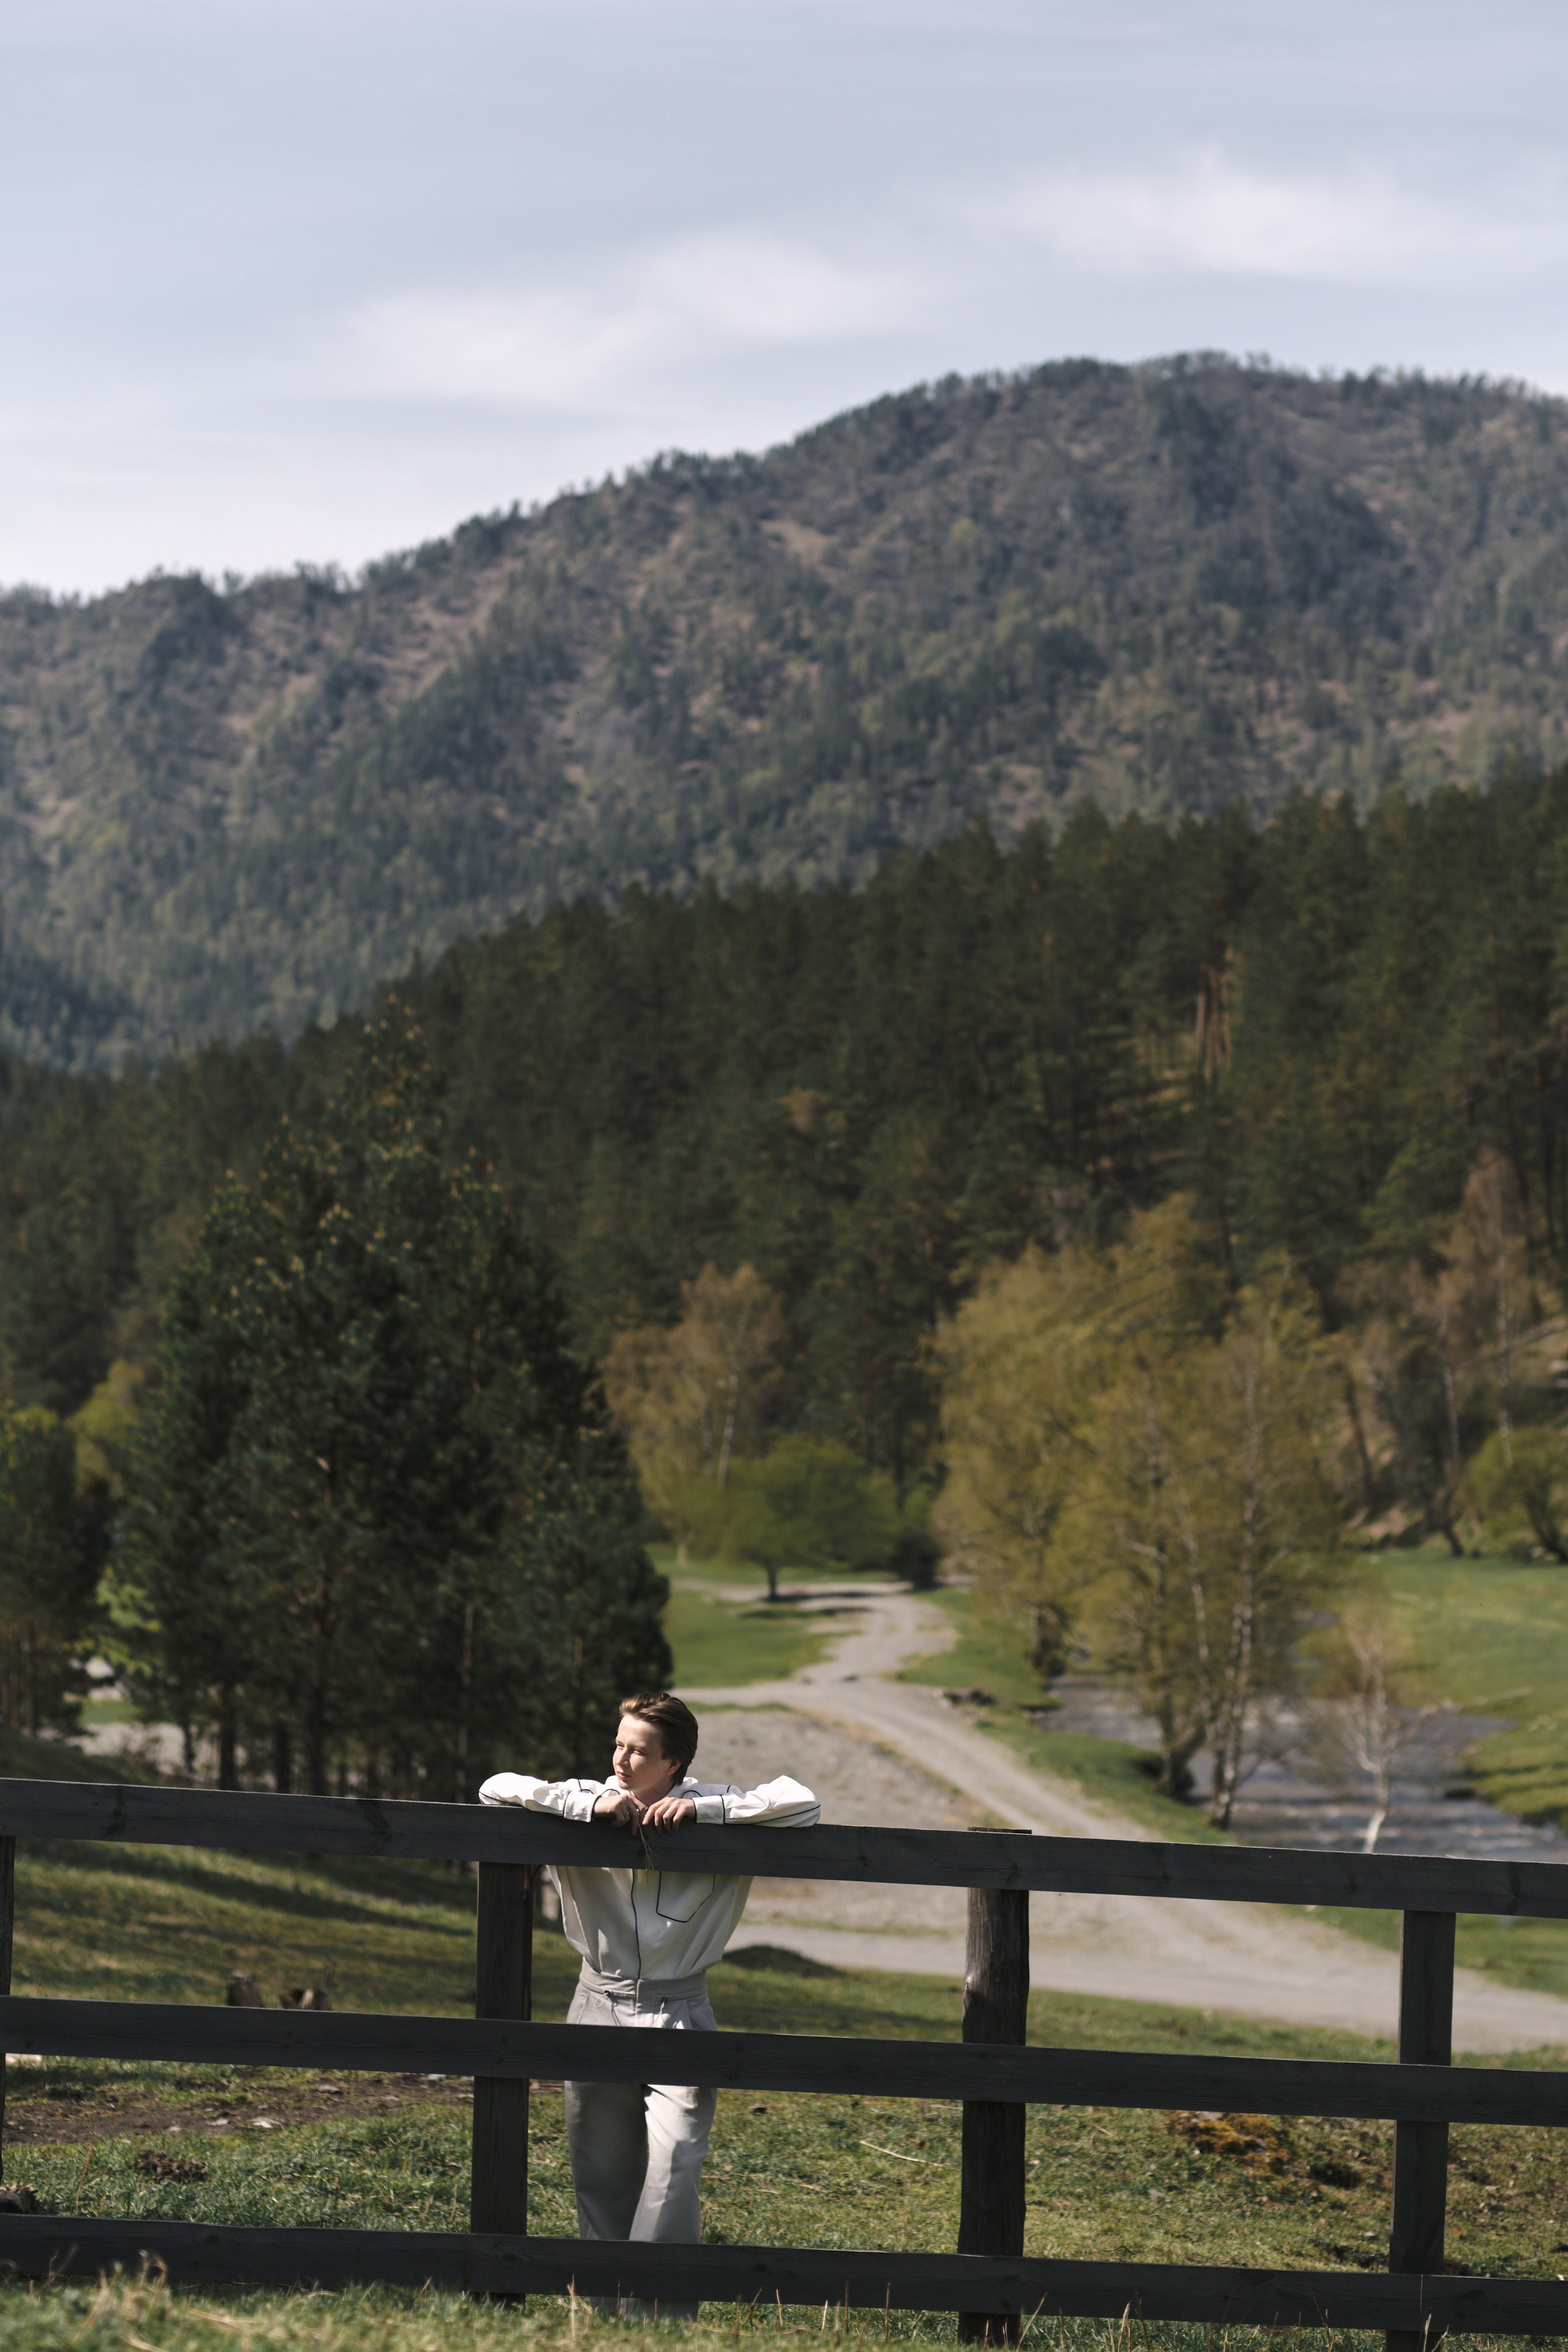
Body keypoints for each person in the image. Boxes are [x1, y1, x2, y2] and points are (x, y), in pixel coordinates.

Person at [479, 1691, 818, 2313]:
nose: (622, 1760)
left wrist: (704, 1817)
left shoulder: (710, 1806)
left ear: (676, 1763)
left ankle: (658, 2319)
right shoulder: (586, 1797)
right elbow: (494, 1788)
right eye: (619, 1745)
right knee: (601, 2177)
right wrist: (588, 1804)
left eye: (639, 1752)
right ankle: (606, 2319)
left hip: (680, 2010)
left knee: (675, 2163)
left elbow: (803, 1802)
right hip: (594, 2003)